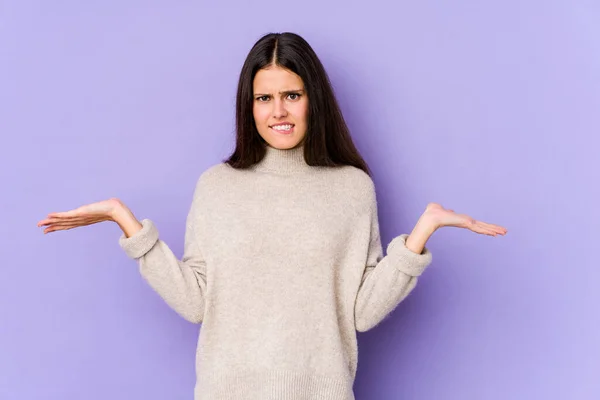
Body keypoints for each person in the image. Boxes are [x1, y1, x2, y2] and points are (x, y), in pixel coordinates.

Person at [37, 32, 507, 400]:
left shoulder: (351, 188)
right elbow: (195, 301)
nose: (278, 112)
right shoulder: (217, 185)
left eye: (292, 95)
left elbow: (361, 312)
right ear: (249, 104)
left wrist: (419, 236)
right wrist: (128, 224)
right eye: (265, 98)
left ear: (313, 99)